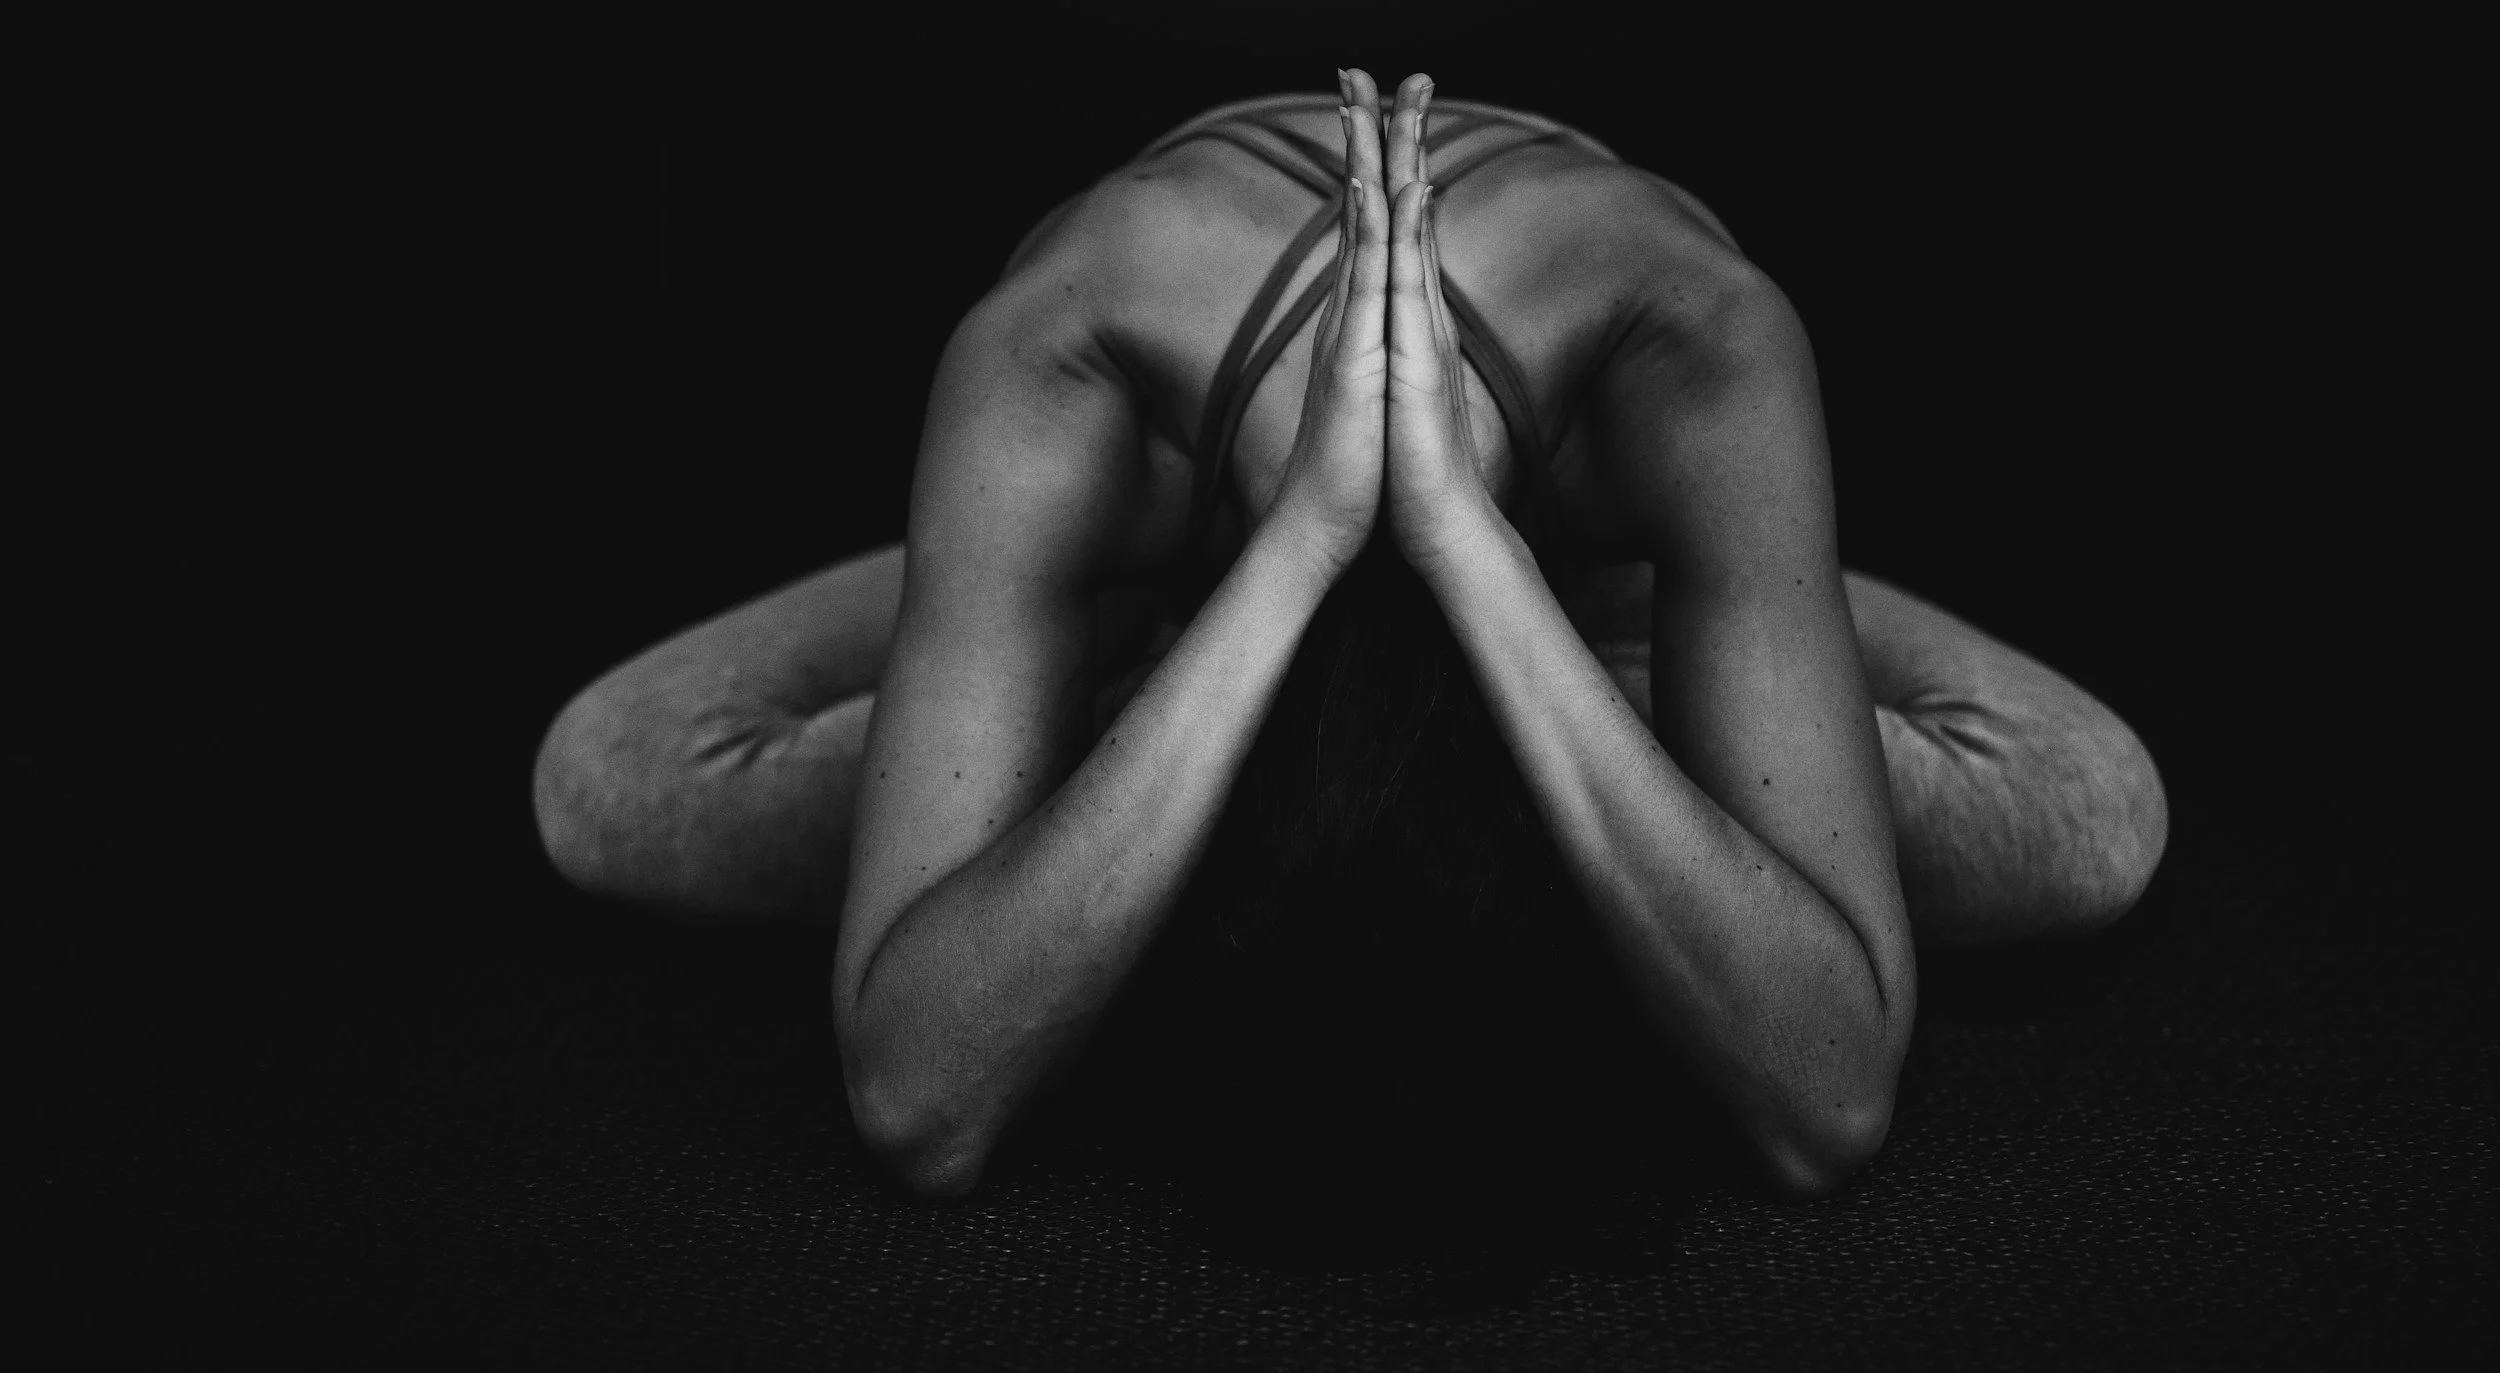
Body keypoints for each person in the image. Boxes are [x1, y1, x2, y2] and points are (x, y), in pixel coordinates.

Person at [531, 72, 2168, 1202]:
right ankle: (1158, 694)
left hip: (1552, 569)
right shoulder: (1067, 359)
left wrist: (1470, 548)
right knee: (614, 787)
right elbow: (915, 1097)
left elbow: (1833, 1097)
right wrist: (1300, 542)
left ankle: (1496, 702)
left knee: (2083, 821)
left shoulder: (1691, 340)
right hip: (1172, 577)